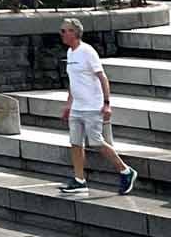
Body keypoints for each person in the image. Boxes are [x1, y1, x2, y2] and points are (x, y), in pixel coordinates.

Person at [59, 18, 138, 196]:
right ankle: (79, 180)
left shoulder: (87, 52)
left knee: (95, 141)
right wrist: (69, 103)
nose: (61, 34)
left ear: (74, 32)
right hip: (77, 107)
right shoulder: (70, 53)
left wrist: (107, 103)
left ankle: (126, 171)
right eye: (61, 31)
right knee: (75, 143)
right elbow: (73, 82)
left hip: (92, 106)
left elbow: (102, 78)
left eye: (65, 31)